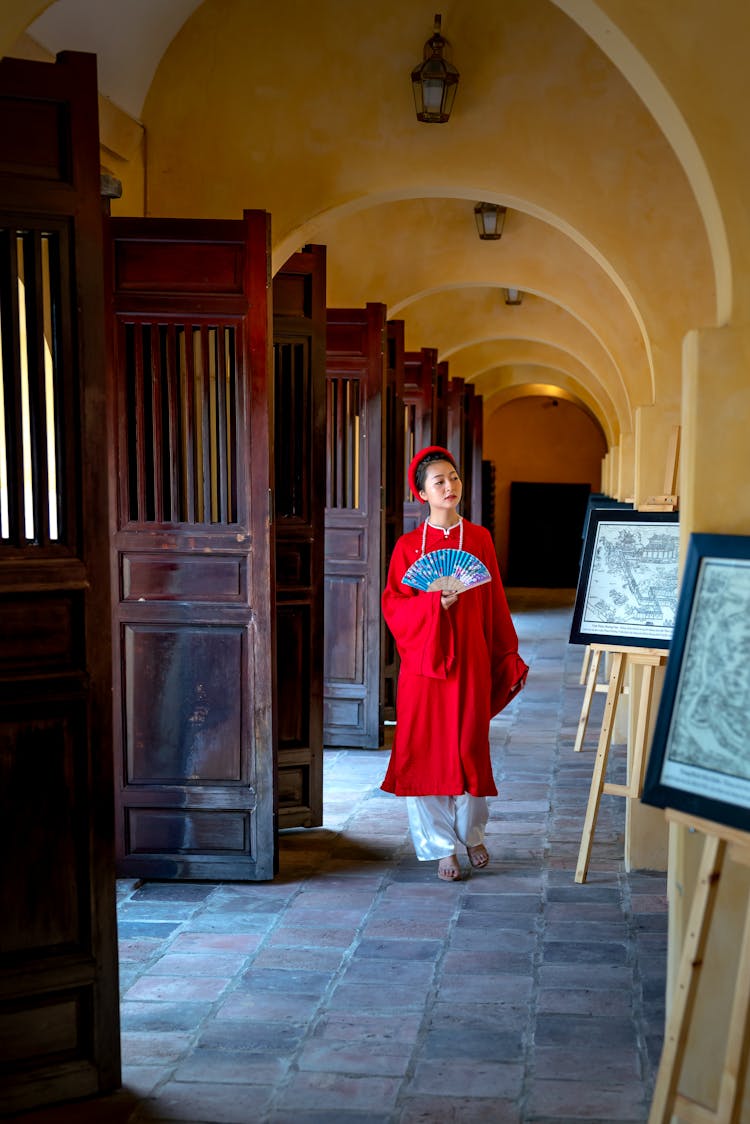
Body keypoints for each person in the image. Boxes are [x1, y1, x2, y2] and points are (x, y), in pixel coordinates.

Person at [381, 445, 529, 881]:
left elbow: (495, 601)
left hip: (470, 661)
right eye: (439, 481)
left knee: (468, 748)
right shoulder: (408, 547)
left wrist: (505, 653)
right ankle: (441, 848)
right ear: (422, 493)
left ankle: (472, 832)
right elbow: (393, 605)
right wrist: (432, 604)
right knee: (425, 754)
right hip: (424, 668)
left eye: (454, 478)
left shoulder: (479, 539)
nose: (450, 487)